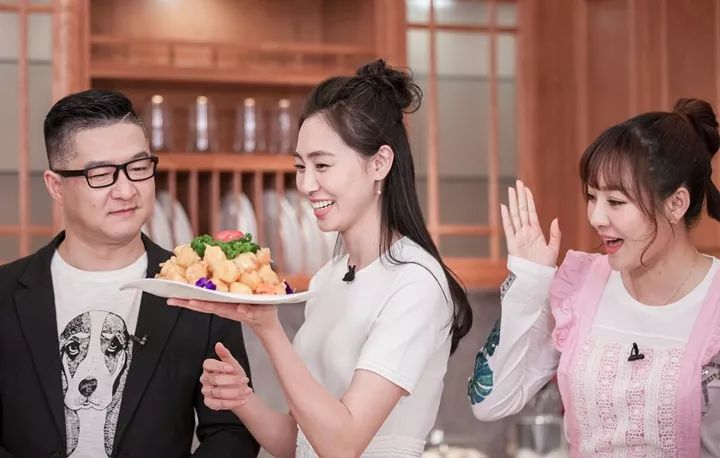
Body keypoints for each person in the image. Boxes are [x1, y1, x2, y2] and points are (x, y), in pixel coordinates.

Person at [168, 59, 474, 457]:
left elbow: (341, 444)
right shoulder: (329, 278)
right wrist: (241, 399)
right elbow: (298, 443)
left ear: (379, 163)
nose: (306, 184)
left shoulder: (416, 283)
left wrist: (269, 329)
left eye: (322, 165)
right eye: (300, 166)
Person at [0, 89, 259, 458]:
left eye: (139, 168)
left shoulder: (199, 289)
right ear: (56, 186)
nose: (126, 190)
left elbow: (232, 432)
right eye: (102, 174)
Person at [469, 98, 720, 456]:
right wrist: (528, 282)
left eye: (616, 202)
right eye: (591, 197)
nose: (596, 217)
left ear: (676, 204)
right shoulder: (580, 286)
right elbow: (489, 402)